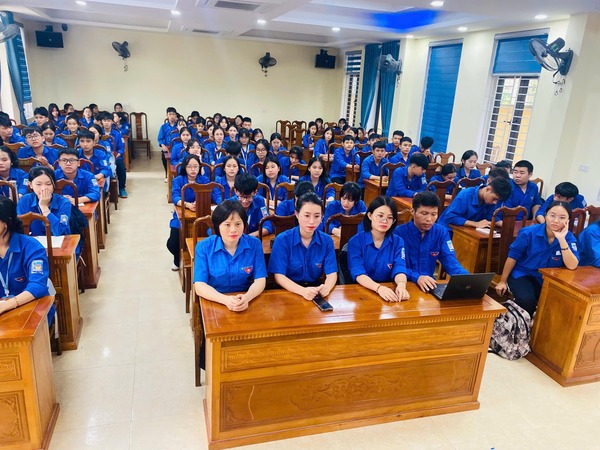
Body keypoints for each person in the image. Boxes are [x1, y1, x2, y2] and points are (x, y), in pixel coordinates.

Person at [495, 201, 579, 316]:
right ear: (545, 215)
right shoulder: (528, 233)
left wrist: (561, 239)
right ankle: (524, 325)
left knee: (560, 302)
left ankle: (540, 326)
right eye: (552, 215)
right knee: (527, 301)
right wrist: (502, 281)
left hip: (548, 279)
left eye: (562, 217)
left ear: (568, 220)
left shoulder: (568, 238)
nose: (556, 221)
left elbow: (572, 265)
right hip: (523, 274)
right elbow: (512, 257)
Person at [194, 199, 267, 311]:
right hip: (214, 300)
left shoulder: (254, 244)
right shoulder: (204, 247)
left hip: (245, 299)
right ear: (218, 226)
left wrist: (247, 297)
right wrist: (225, 300)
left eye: (238, 224)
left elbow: (260, 280)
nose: (233, 230)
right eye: (227, 225)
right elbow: (200, 285)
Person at [395, 191, 468, 292]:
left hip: (429, 286)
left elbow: (451, 261)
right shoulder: (398, 234)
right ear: (413, 211)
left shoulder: (441, 232)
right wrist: (417, 277)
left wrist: (467, 280)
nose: (429, 219)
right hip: (403, 285)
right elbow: (395, 266)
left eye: (434, 214)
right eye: (424, 213)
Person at [269, 192, 337, 300]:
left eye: (317, 216)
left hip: (314, 291)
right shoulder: (282, 240)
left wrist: (327, 287)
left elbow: (332, 273)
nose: (311, 221)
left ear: (322, 217)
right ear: (297, 214)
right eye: (307, 215)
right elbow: (279, 276)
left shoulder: (326, 241)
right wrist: (302, 291)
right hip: (287, 291)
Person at [347, 196, 410, 302]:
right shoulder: (356, 241)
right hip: (362, 291)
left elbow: (399, 267)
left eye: (390, 218)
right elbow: (358, 272)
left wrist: (401, 285)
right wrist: (378, 288)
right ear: (370, 215)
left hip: (389, 291)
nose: (385, 221)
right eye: (380, 215)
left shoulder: (398, 241)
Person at [0, 197, 51, 317]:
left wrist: (7, 305)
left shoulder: (31, 247)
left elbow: (37, 285)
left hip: (32, 307)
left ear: (7, 222)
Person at [166, 155, 214, 270]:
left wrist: (200, 202)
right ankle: (177, 259)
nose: (193, 169)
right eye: (189, 166)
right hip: (182, 213)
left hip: (201, 212)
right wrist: (187, 204)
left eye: (196, 166)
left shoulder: (204, 180)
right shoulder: (178, 180)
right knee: (173, 242)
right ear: (185, 167)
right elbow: (175, 197)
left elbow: (210, 195)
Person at [16, 167, 72, 239]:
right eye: (38, 184)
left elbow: (58, 231)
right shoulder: (25, 200)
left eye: (48, 184)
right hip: (33, 241)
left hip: (61, 241)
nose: (44, 188)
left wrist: (44, 207)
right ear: (30, 185)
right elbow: (19, 227)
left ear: (54, 185)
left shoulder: (64, 203)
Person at [437, 177, 512, 230]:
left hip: (469, 231)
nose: (495, 203)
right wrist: (476, 224)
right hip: (448, 231)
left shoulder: (492, 200)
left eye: (498, 200)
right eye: (494, 198)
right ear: (488, 189)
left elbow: (490, 216)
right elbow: (450, 217)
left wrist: (504, 225)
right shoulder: (465, 195)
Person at [230, 173, 272, 237]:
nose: (244, 201)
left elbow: (268, 227)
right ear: (235, 191)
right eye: (241, 196)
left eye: (249, 197)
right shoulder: (229, 204)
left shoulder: (259, 201)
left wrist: (248, 237)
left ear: (255, 192)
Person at [99, 112, 127, 198]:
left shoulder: (117, 134)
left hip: (115, 156)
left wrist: (117, 155)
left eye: (108, 121)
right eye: (104, 121)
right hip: (101, 157)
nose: (106, 123)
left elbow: (121, 147)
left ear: (112, 122)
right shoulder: (99, 133)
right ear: (102, 122)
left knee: (120, 164)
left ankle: (122, 188)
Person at [158, 107, 179, 181]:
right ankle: (168, 175)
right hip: (167, 147)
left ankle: (177, 174)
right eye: (170, 114)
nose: (172, 116)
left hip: (177, 147)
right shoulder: (163, 127)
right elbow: (160, 138)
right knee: (164, 158)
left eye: (173, 114)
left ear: (176, 115)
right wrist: (163, 146)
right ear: (167, 115)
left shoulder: (179, 126)